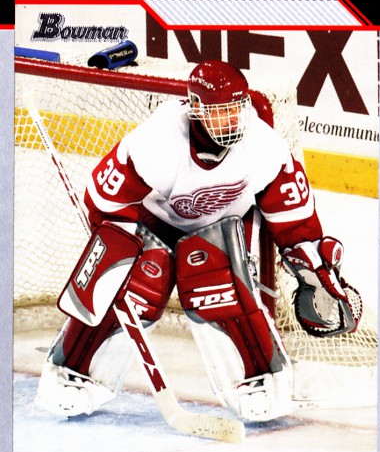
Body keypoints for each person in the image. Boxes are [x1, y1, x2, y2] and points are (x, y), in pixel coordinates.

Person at [35, 59, 362, 422]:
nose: (231, 120)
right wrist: (120, 256)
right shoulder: (158, 141)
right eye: (219, 111)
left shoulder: (264, 146)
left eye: (236, 109)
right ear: (195, 108)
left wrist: (312, 266)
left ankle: (258, 379)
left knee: (218, 274)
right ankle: (75, 370)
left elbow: (294, 218)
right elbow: (105, 202)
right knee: (140, 277)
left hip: (222, 232)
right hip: (153, 226)